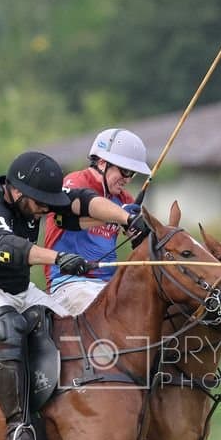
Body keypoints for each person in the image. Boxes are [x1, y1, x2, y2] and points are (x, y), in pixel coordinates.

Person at [0, 149, 147, 440]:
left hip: (18, 291)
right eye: (40, 204)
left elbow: (83, 201)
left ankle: (69, 411)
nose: (44, 210)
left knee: (76, 329)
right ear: (17, 192)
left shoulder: (34, 203)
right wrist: (60, 258)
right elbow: (13, 247)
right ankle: (17, 426)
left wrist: (127, 217)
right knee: (8, 327)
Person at [41, 128, 153, 315]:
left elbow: (138, 240)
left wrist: (138, 230)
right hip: (69, 283)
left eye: (132, 174)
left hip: (110, 283)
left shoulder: (125, 199)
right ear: (102, 163)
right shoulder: (74, 182)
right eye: (125, 171)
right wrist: (122, 216)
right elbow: (66, 219)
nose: (127, 179)